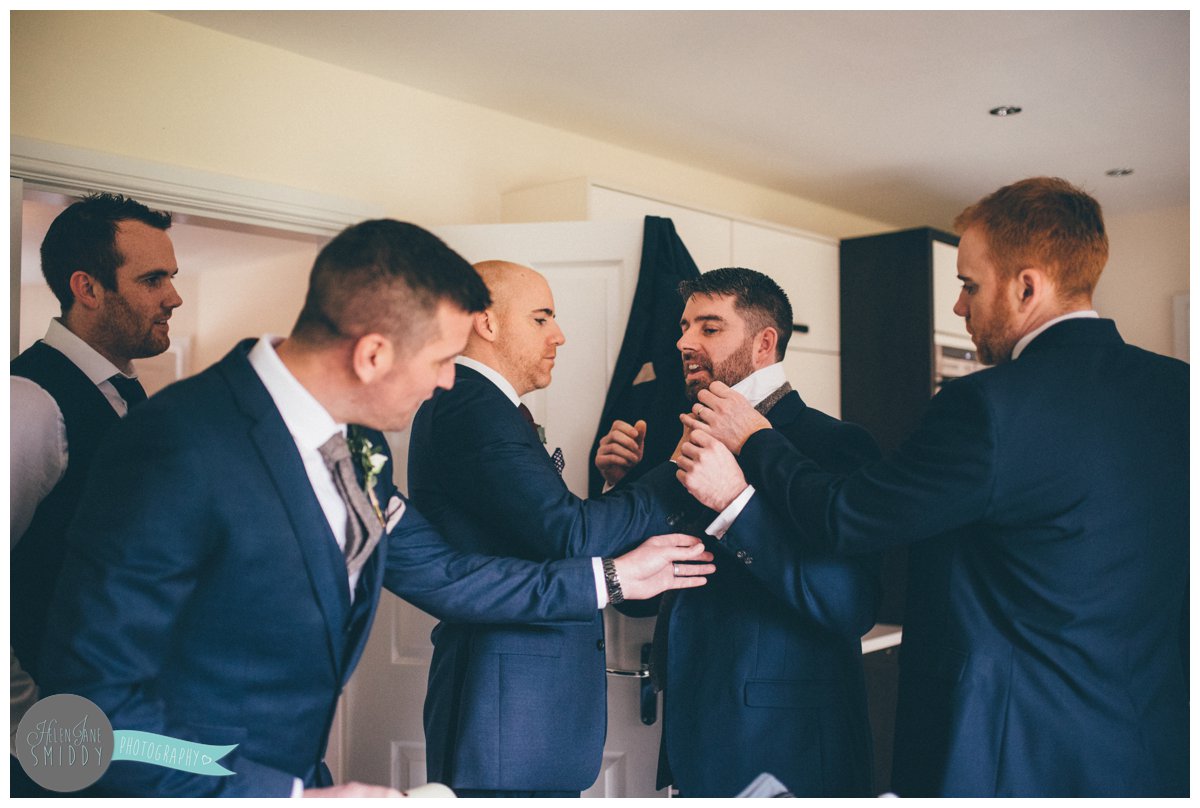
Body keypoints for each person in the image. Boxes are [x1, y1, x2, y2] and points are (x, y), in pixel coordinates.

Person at [36, 221, 713, 798]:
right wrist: (281, 796)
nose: (451, 382)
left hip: (302, 769)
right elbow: (80, 725)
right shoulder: (175, 445)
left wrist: (615, 579)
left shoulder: (358, 448)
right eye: (445, 359)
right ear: (372, 354)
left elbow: (446, 573)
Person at [676, 178, 1189, 797]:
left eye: (970, 285)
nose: (959, 307)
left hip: (1014, 746)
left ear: (1027, 287)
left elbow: (847, 516)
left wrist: (754, 441)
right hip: (1155, 741)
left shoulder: (988, 407)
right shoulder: (1178, 391)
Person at [595, 267, 881, 797]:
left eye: (708, 327)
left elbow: (851, 607)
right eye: (684, 327)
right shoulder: (679, 442)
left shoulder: (835, 445)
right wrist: (618, 487)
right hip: (693, 742)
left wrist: (736, 505)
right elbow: (641, 600)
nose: (683, 342)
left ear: (764, 342)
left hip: (787, 750)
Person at [408, 260, 690, 797]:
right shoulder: (472, 405)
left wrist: (613, 489)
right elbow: (569, 535)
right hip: (505, 716)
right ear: (486, 322)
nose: (558, 335)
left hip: (520, 713)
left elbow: (537, 535)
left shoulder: (490, 406)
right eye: (541, 318)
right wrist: (675, 474)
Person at [10, 193, 181, 789]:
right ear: (86, 287)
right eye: (153, 279)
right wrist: (27, 725)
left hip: (135, 725)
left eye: (172, 277)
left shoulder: (130, 399)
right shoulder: (27, 404)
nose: (174, 297)